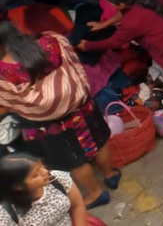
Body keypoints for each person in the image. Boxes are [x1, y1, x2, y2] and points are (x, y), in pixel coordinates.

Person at [0, 24, 114, 210]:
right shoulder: (51, 39)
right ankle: (111, 174)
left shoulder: (4, 73)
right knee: (100, 142)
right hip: (82, 106)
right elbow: (74, 62)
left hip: (52, 124)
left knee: (75, 161)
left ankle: (96, 193)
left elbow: (8, 102)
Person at [0, 153, 96, 226]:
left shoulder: (57, 179)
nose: (45, 171)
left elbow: (77, 206)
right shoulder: (5, 213)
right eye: (36, 174)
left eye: (41, 166)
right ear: (19, 186)